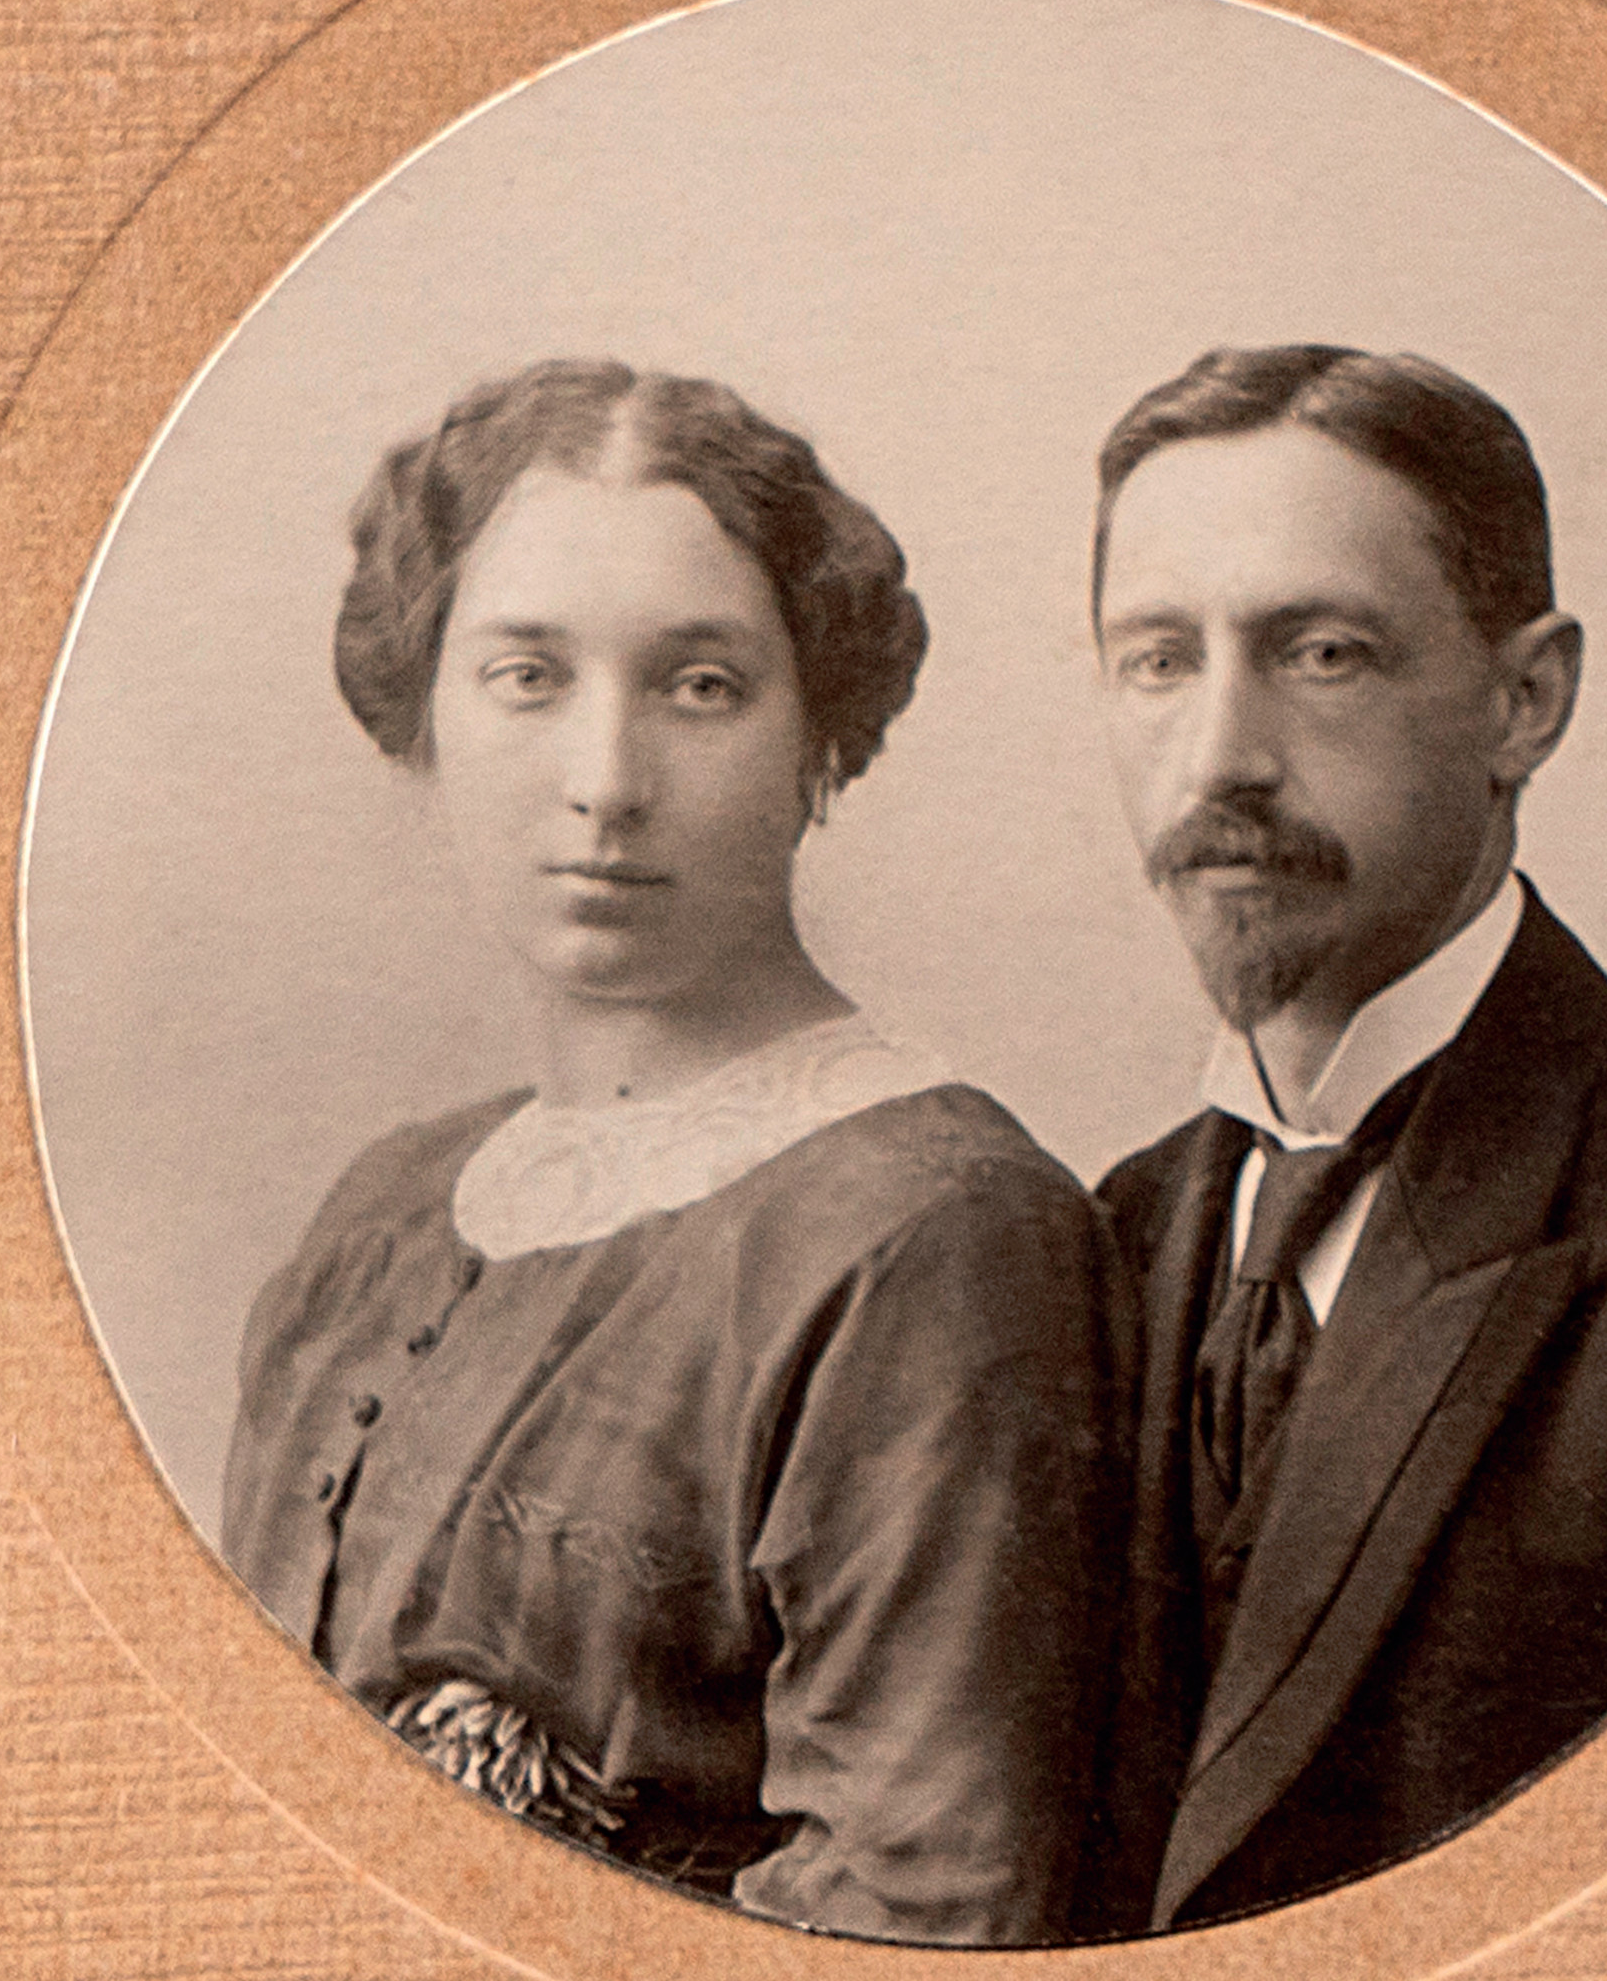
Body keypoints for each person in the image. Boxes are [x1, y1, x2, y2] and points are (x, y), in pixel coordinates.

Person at [221, 359, 1131, 1947]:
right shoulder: (380, 1213)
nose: (605, 784)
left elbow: (926, 1905)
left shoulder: (931, 1235)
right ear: (422, 713)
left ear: (818, 732)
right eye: (526, 676)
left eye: (700, 686)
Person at [1086, 344, 1607, 1931]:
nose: (1218, 757)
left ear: (1524, 701)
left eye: (1321, 654)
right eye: (1157, 661)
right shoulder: (1107, 1235)